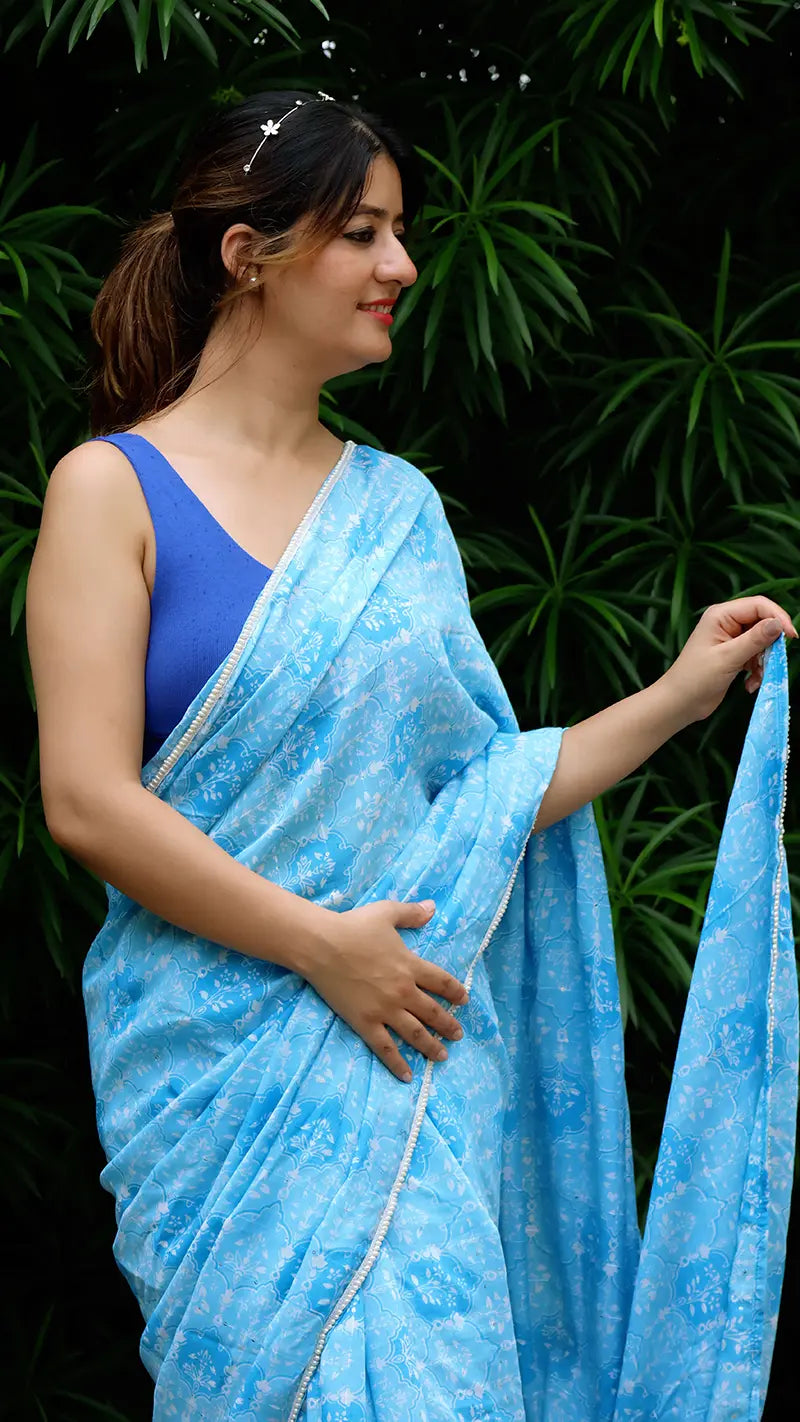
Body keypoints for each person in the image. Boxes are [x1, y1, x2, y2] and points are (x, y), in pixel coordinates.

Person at [25, 92, 797, 1421]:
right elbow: (85, 800)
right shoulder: (110, 490)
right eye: (364, 233)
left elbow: (478, 802)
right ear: (249, 255)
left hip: (408, 1071)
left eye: (403, 233)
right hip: (219, 1078)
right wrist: (320, 945)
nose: (404, 267)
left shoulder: (398, 513)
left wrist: (678, 694)